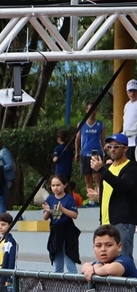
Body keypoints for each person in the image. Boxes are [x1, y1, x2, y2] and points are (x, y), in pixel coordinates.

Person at [88, 132, 137, 261]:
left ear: (126, 148)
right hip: (106, 220)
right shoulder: (108, 168)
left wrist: (102, 170)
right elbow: (111, 190)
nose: (112, 150)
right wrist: (98, 196)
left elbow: (123, 185)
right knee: (106, 259)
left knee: (123, 258)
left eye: (116, 147)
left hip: (122, 220)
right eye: (110, 147)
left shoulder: (132, 167)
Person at [42, 174, 80, 274]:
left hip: (67, 231)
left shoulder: (69, 198)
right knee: (58, 264)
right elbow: (45, 217)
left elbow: (74, 215)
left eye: (58, 185)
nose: (55, 188)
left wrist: (63, 209)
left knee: (69, 261)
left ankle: (75, 281)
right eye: (53, 185)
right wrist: (47, 211)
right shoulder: (50, 199)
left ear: (65, 185)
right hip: (55, 232)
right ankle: (58, 282)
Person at [75, 102, 104, 202]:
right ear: (86, 111)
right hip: (85, 153)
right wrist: (76, 152)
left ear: (96, 111)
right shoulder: (81, 123)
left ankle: (99, 197)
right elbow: (77, 138)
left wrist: (106, 150)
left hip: (97, 153)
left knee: (97, 176)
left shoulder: (101, 124)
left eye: (94, 110)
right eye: (90, 110)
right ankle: (91, 199)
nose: (92, 112)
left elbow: (103, 139)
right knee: (88, 177)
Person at [123, 79, 137, 162]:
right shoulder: (127, 105)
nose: (132, 93)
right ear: (127, 92)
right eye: (130, 91)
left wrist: (128, 132)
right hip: (127, 143)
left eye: (134, 91)